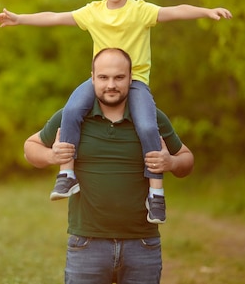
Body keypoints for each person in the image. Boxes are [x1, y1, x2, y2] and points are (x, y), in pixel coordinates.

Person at [0, 0, 230, 223]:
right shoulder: (92, 13)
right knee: (71, 111)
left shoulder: (140, 11)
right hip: (100, 81)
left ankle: (156, 193)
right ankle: (67, 175)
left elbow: (175, 11)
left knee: (146, 126)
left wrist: (206, 11)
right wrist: (20, 18)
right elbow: (56, 17)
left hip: (135, 83)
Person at [24, 48, 194, 284]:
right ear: (92, 77)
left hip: (142, 244)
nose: (111, 85)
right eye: (103, 77)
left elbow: (187, 160)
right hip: (87, 243)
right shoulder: (72, 117)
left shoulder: (151, 119)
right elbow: (30, 147)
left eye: (119, 77)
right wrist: (52, 155)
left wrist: (172, 162)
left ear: (131, 77)